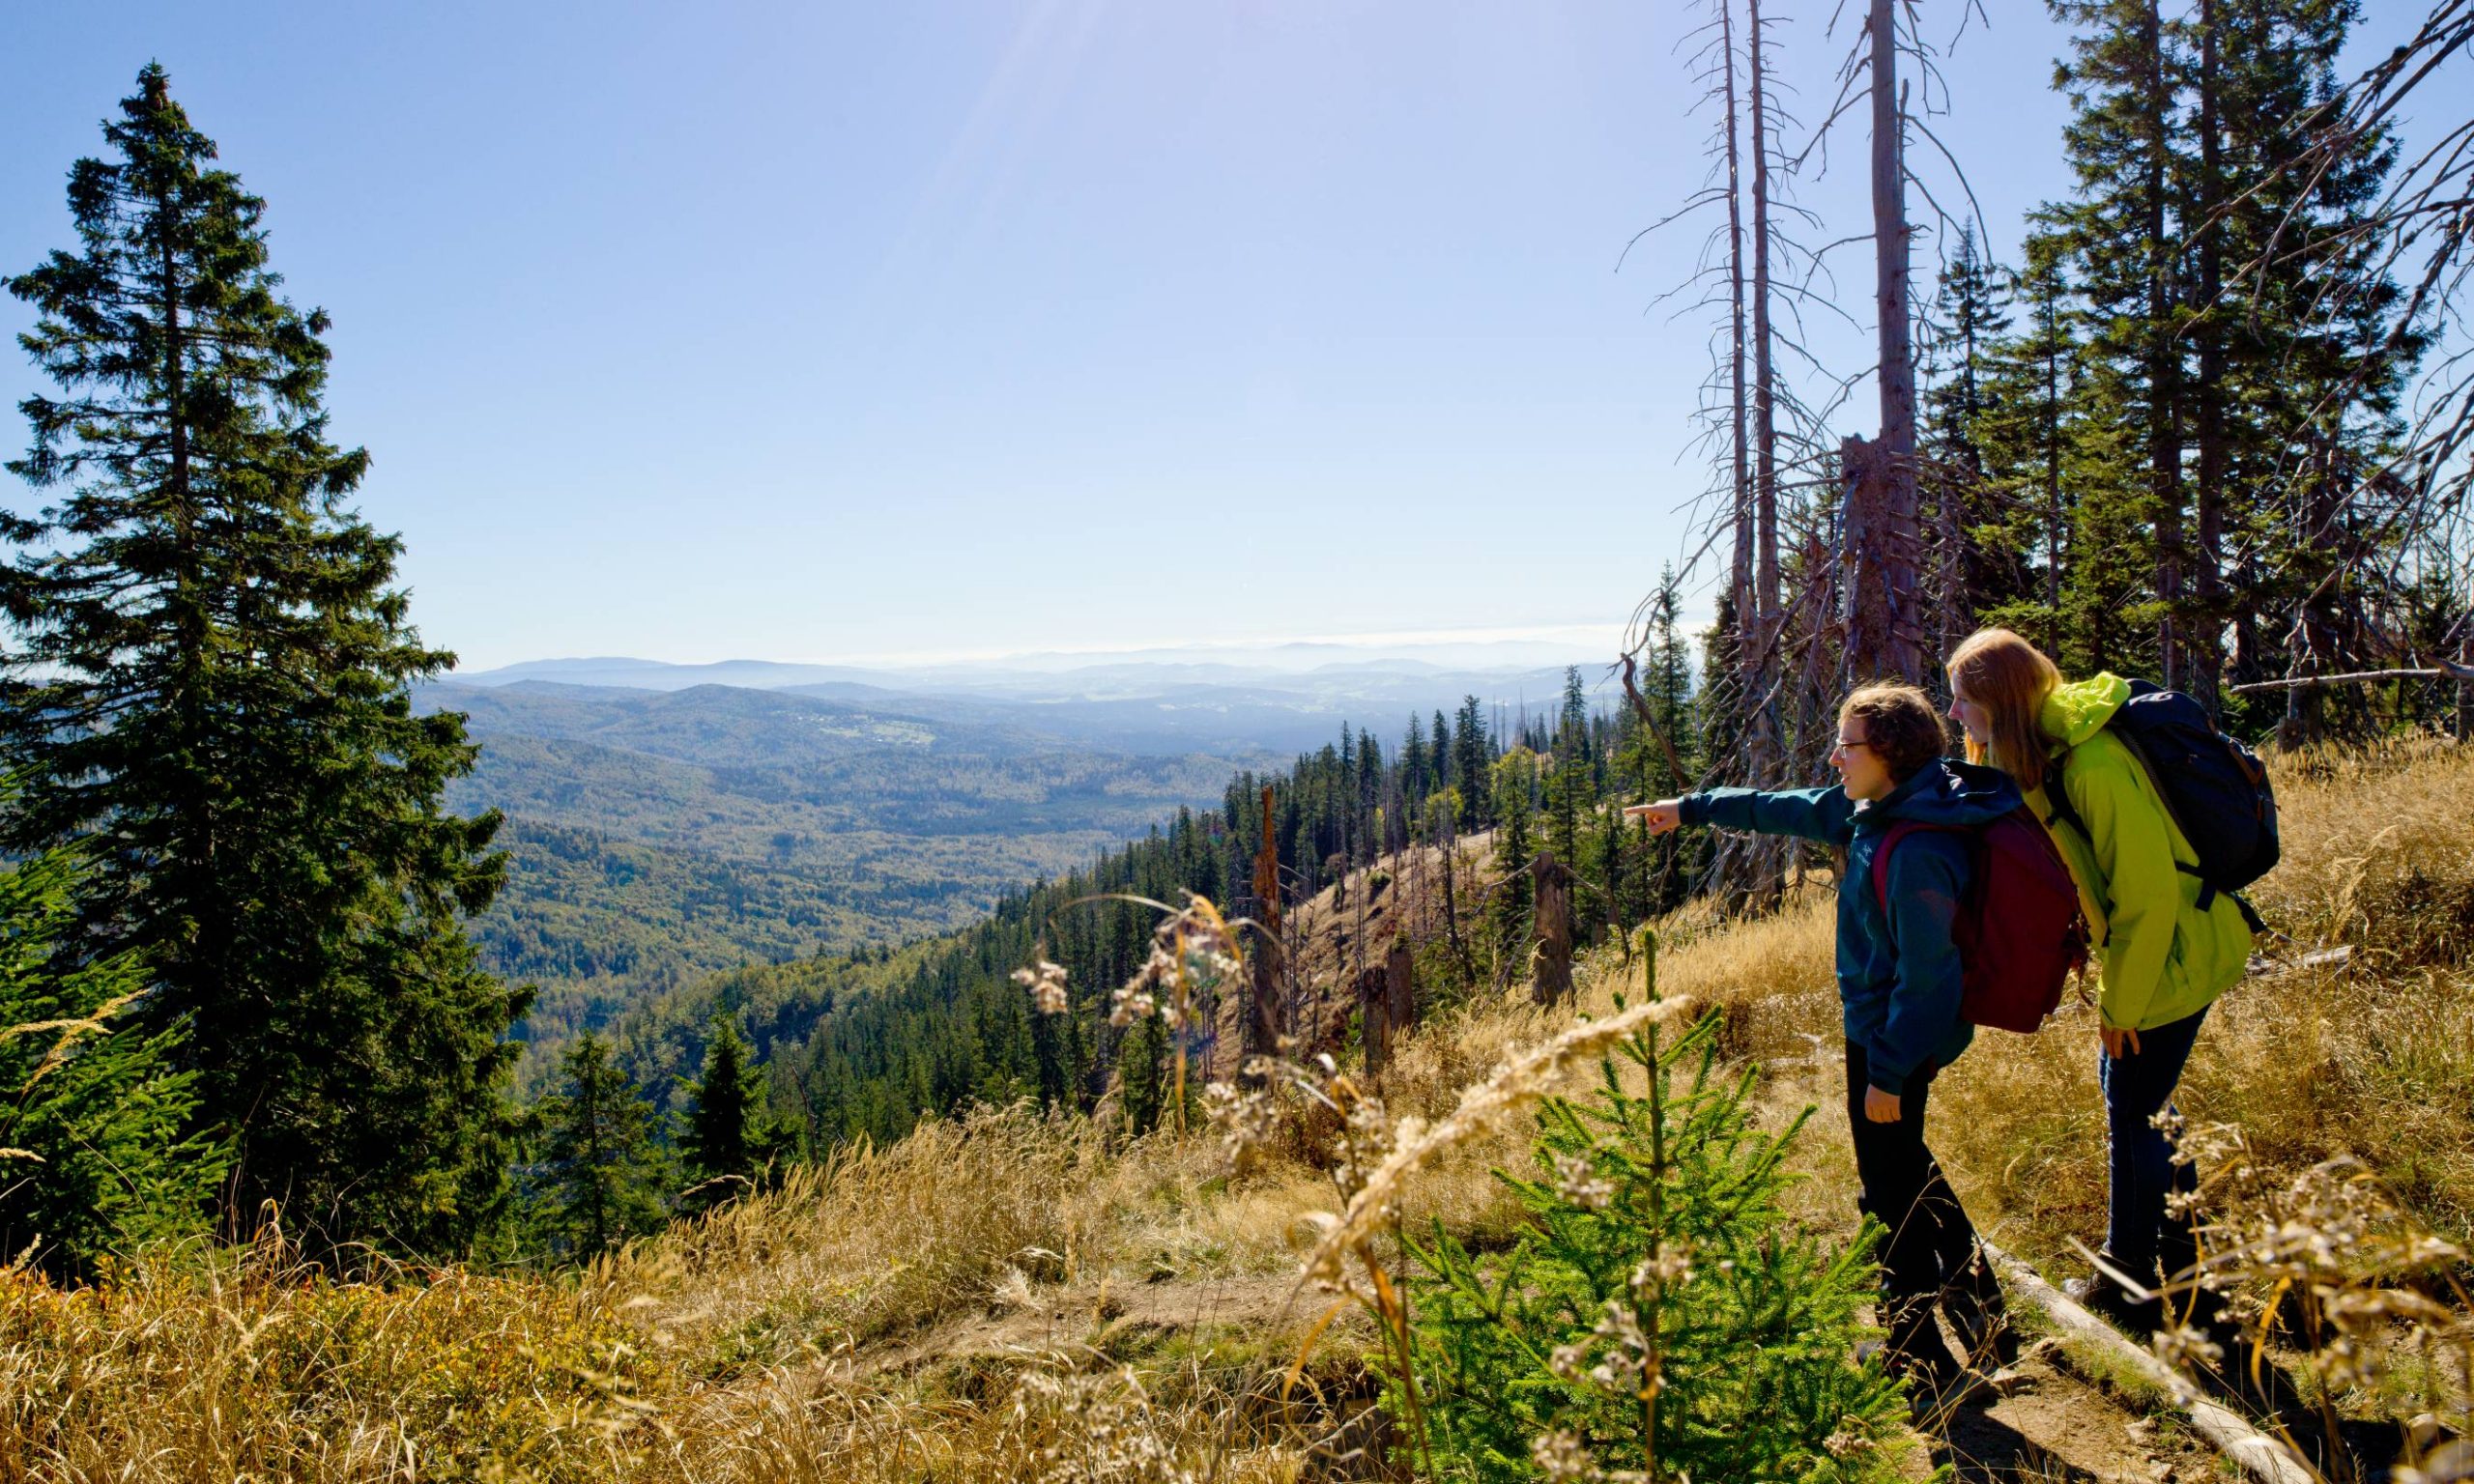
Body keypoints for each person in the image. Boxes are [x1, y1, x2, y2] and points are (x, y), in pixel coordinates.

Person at [1628, 682, 2018, 1405]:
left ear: (1892, 755)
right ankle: (1983, 1308)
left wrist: (1889, 1074)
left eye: (1849, 745)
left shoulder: (1916, 849)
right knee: (1906, 1164)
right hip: (1882, 1037)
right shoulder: (1880, 809)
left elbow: (1928, 981)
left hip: (1891, 1041)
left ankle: (1917, 1356)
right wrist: (1691, 809)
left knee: (1889, 1191)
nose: (1834, 756)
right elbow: (1787, 808)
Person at [1943, 629, 2252, 1334]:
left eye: (1964, 700)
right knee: (2146, 1103)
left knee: (2131, 1105)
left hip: (2178, 953)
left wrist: (2124, 1004)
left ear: (2001, 701)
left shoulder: (2093, 764)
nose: (1956, 714)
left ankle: (2127, 1282)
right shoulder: (2051, 754)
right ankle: (2186, 1267)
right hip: (2159, 954)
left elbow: (2149, 896)